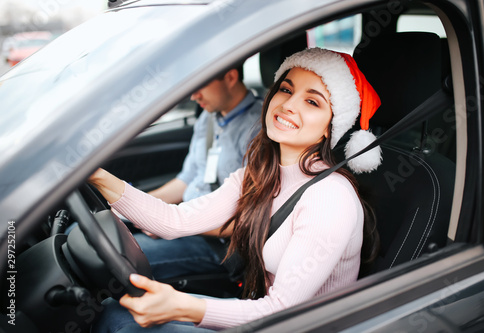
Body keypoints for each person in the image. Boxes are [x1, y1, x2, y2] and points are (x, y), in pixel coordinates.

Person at [90, 47, 381, 332]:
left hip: (288, 324)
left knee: (118, 322)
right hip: (259, 311)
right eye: (286, 90)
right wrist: (96, 177)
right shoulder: (258, 174)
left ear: (331, 128)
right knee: (115, 312)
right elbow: (173, 220)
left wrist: (181, 306)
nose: (289, 105)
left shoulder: (330, 198)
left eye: (313, 102)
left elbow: (282, 312)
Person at [133, 64, 262, 282]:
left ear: (230, 76)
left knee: (125, 259)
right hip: (185, 220)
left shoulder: (257, 129)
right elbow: (186, 180)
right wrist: (133, 207)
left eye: (200, 85)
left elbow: (249, 220)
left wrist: (175, 223)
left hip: (217, 241)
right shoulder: (209, 118)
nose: (193, 95)